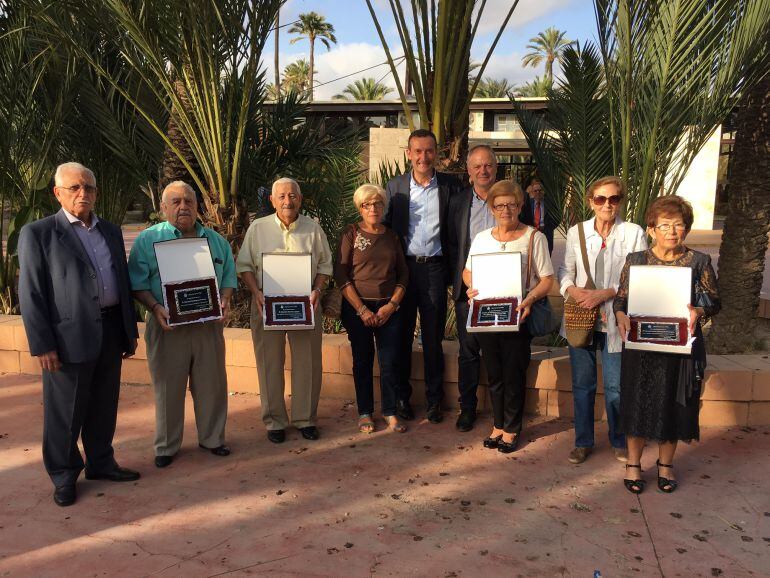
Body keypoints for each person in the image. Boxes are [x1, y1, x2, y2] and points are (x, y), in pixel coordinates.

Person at [18, 162, 140, 507]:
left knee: (103, 405)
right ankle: (63, 474)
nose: (83, 193)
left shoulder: (111, 231)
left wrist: (128, 332)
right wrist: (42, 344)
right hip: (67, 339)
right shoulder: (39, 233)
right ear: (58, 193)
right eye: (74, 188)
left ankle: (101, 462)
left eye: (89, 187)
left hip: (112, 330)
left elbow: (123, 282)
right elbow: (32, 294)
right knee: (65, 412)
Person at [614, 195, 720, 493]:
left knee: (674, 404)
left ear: (686, 229)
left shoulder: (699, 261)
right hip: (642, 345)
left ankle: (665, 465)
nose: (672, 231)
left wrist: (700, 310)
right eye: (665, 225)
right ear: (651, 229)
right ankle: (633, 464)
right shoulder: (636, 261)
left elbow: (714, 300)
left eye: (679, 225)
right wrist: (620, 314)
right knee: (637, 401)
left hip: (680, 348)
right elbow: (621, 298)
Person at [128, 181, 236, 468]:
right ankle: (166, 445)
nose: (183, 206)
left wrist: (224, 300)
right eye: (175, 202)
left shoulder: (216, 241)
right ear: (163, 208)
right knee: (168, 387)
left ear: (197, 206)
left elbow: (227, 278)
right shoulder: (147, 240)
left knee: (211, 385)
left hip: (207, 326)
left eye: (189, 201)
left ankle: (213, 438)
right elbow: (137, 284)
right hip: (166, 325)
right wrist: (155, 307)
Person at [558, 176, 647, 465]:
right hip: (581, 317)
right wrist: (573, 290)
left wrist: (605, 294)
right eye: (600, 199)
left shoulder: (633, 233)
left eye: (613, 199)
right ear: (590, 202)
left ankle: (619, 440)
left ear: (621, 201)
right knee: (582, 384)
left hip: (616, 320)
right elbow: (564, 271)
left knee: (616, 385)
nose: (607, 204)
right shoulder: (577, 232)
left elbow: (639, 276)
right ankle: (583, 442)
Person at [237, 177, 332, 443]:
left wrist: (318, 291)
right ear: (272, 200)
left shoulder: (313, 229)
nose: (287, 201)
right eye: (282, 196)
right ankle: (274, 421)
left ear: (300, 199)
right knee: (269, 363)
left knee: (308, 362)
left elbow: (325, 265)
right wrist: (256, 292)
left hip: (306, 305)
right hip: (266, 305)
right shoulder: (258, 228)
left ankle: (305, 419)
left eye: (293, 196)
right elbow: (244, 265)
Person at [462, 180, 554, 453]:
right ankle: (498, 425)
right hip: (487, 315)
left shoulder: (533, 237)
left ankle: (512, 428)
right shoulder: (481, 238)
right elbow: (468, 271)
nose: (505, 210)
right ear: (491, 208)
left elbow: (547, 279)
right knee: (494, 373)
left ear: (520, 206)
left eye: (511, 204)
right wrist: (471, 288)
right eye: (499, 205)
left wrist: (530, 299)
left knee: (513, 373)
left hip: (518, 314)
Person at [384, 129, 461, 424]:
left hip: (435, 270)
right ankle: (402, 398)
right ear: (409, 153)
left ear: (437, 154)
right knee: (401, 337)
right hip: (404, 270)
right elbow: (387, 229)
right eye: (417, 151)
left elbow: (457, 229)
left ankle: (433, 401)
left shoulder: (451, 187)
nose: (423, 157)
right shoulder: (395, 187)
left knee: (432, 339)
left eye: (429, 151)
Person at [335, 184, 409, 434]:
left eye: (377, 203)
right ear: (360, 207)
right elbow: (341, 274)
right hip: (358, 309)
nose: (373, 208)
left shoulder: (391, 235)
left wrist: (392, 305)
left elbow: (403, 275)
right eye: (367, 204)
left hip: (388, 308)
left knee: (389, 362)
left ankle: (390, 412)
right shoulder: (351, 233)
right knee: (362, 361)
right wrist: (362, 310)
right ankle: (365, 412)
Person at [446, 144, 498, 432]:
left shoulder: (510, 199)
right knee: (468, 352)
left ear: (496, 168)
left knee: (497, 352)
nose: (483, 171)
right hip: (469, 290)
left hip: (504, 291)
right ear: (468, 171)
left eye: (488, 165)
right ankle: (467, 408)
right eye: (477, 166)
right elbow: (453, 245)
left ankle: (500, 411)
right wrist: (460, 281)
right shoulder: (458, 202)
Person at [520, 177, 557, 254]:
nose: (538, 192)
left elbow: (557, 217)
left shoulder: (550, 204)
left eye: (540, 190)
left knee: (547, 254)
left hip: (546, 233)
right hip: (532, 233)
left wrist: (548, 228)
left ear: (543, 191)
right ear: (532, 192)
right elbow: (522, 216)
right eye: (535, 191)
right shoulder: (528, 204)